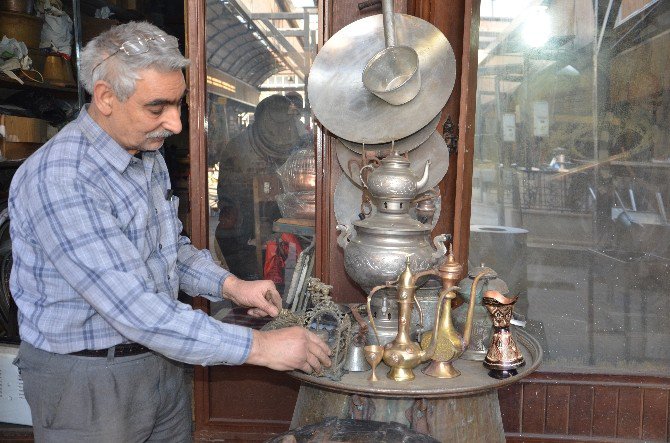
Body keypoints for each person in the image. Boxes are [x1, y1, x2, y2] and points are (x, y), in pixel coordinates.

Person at [9, 21, 331, 443]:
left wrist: (232, 285)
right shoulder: (63, 177)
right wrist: (262, 349)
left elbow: (168, 250)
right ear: (105, 97)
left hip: (158, 358)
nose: (175, 124)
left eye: (178, 105)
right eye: (157, 107)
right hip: (87, 381)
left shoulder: (145, 153)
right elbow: (133, 307)